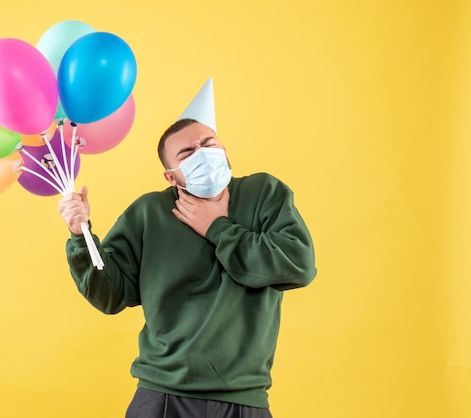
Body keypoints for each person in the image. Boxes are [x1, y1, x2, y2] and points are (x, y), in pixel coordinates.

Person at [58, 83, 316, 418]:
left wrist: (217, 227)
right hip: (163, 395)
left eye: (208, 144)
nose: (202, 153)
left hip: (244, 398)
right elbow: (110, 294)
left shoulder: (263, 193)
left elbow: (298, 265)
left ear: (224, 150)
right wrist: (81, 236)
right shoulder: (149, 213)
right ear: (170, 175)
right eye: (187, 153)